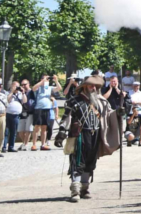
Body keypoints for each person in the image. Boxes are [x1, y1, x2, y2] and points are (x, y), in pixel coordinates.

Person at [54, 73, 116, 202]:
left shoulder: (100, 101)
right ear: (84, 86)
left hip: (95, 135)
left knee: (90, 162)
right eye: (91, 85)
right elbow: (67, 117)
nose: (93, 88)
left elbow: (109, 114)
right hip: (79, 135)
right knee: (78, 161)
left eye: (95, 86)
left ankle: (84, 188)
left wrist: (119, 113)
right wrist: (61, 133)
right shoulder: (74, 101)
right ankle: (75, 190)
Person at [5, 81, 24, 153]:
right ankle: (4, 147)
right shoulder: (7, 93)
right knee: (6, 132)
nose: (17, 88)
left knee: (13, 132)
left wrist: (23, 93)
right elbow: (8, 100)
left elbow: (25, 101)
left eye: (18, 86)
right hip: (8, 114)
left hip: (16, 115)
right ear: (12, 86)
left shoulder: (20, 94)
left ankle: (11, 147)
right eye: (15, 86)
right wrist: (12, 92)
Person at [0, 78, 7, 157]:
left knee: (1, 134)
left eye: (0, 86)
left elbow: (6, 105)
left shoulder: (3, 96)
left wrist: (4, 115)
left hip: (2, 116)